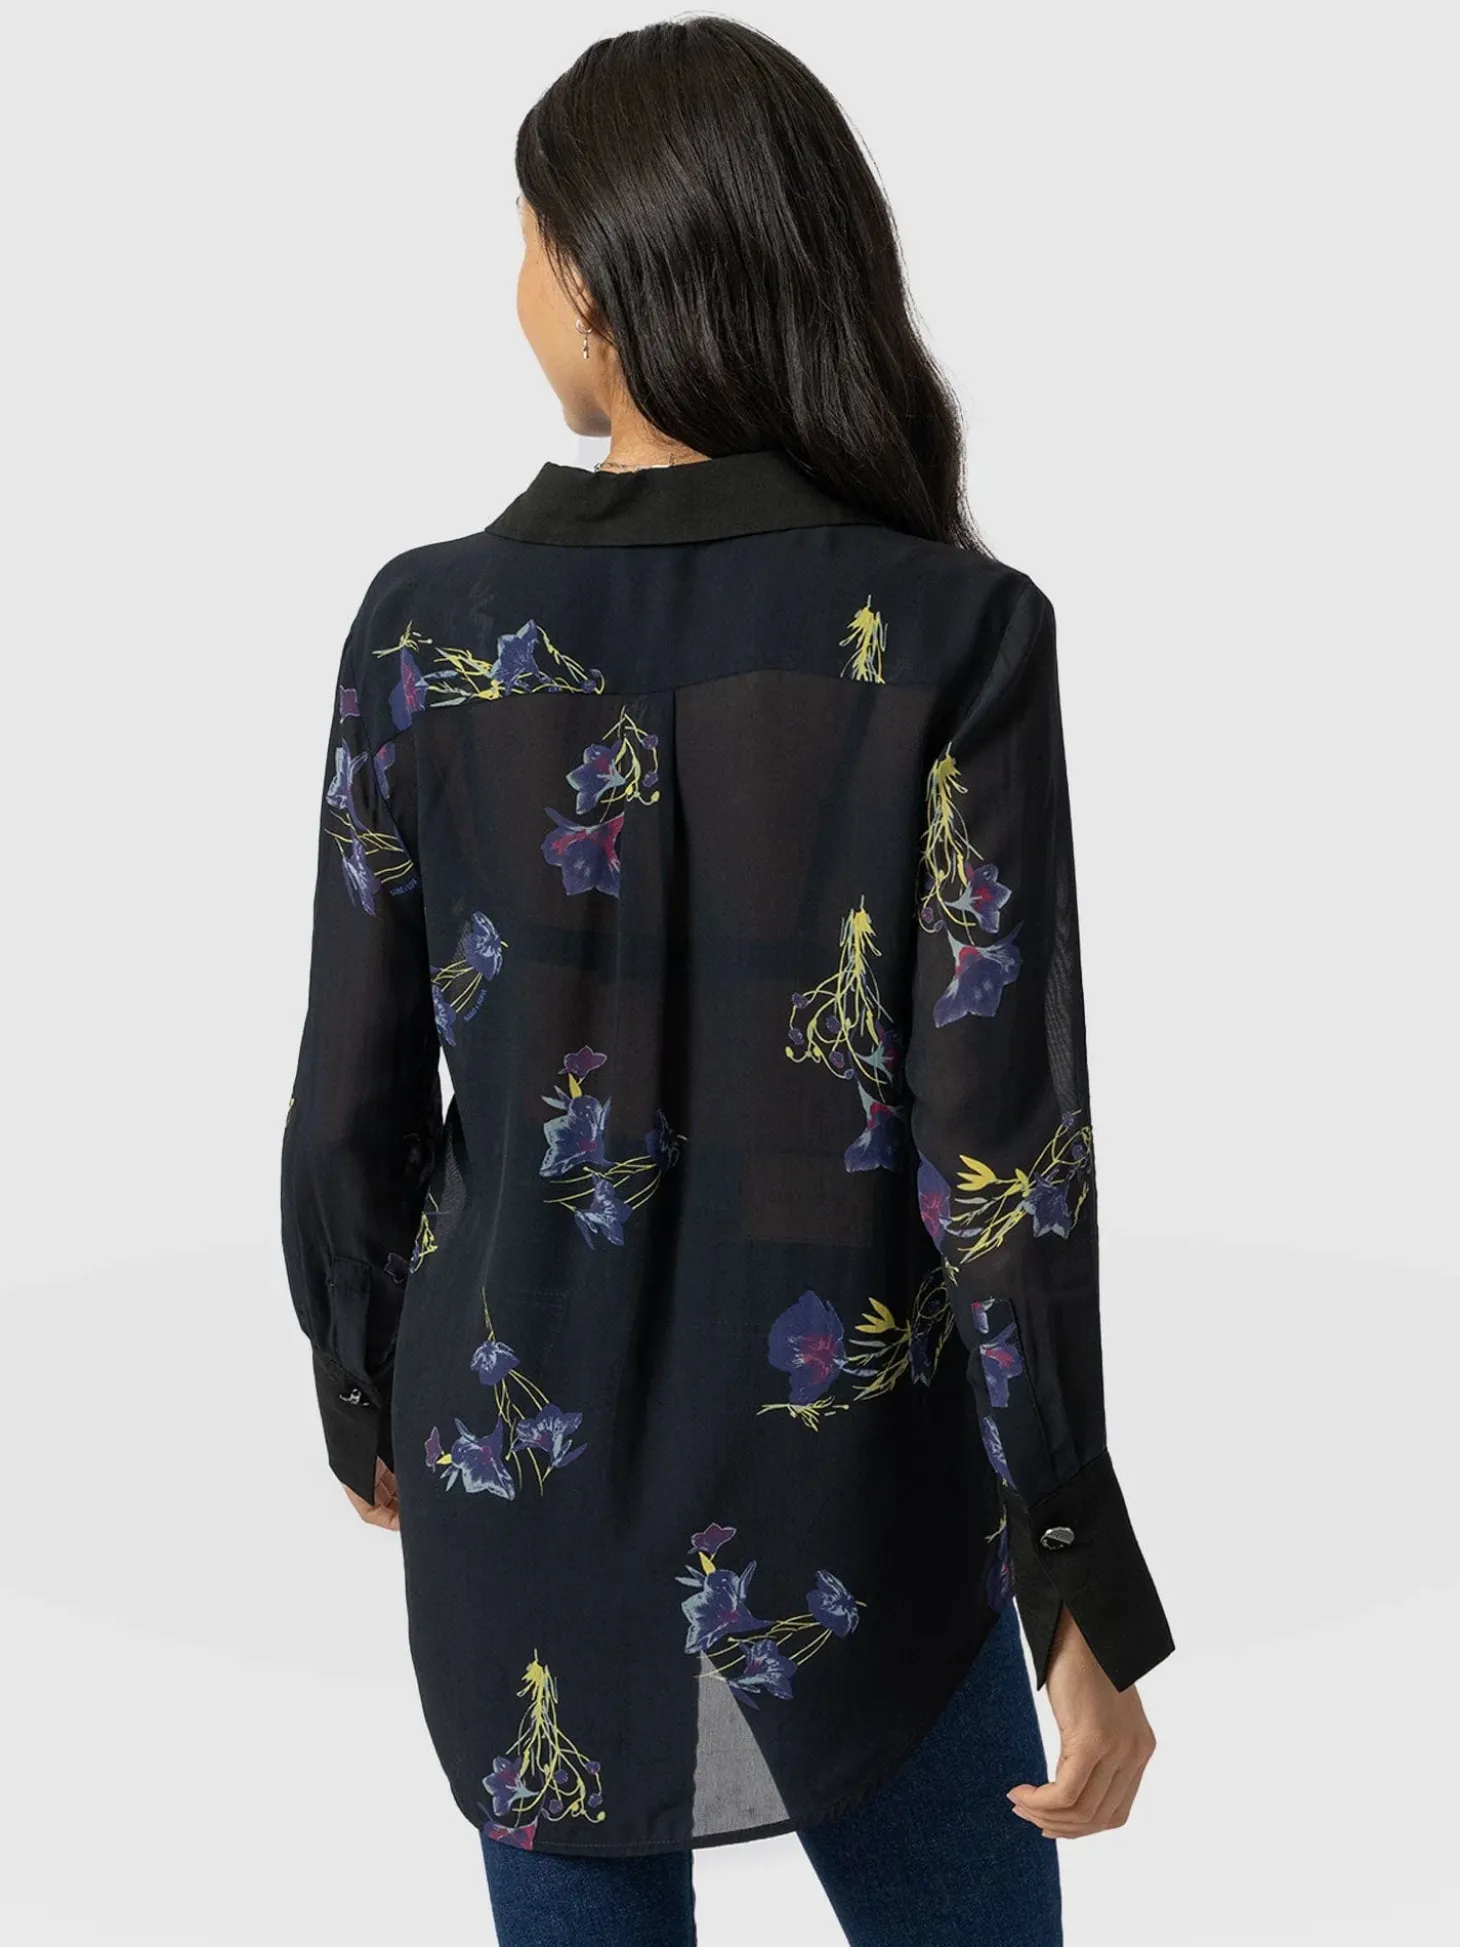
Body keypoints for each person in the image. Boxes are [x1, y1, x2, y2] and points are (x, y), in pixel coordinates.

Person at [279, 16, 1174, 1945]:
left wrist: (359, 1381)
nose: (518, 282)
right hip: (858, 1506)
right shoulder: (952, 632)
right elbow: (1004, 1163)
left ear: (602, 282)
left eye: (527, 238)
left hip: (520, 1472)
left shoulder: (425, 635)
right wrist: (1075, 1572)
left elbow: (352, 1091)